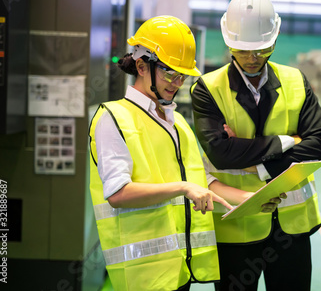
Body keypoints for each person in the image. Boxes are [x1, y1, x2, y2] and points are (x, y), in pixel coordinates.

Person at [190, 0, 321, 291]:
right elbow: (221, 154)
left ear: (275, 39)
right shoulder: (207, 88)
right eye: (243, 50)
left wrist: (261, 166)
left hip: (290, 230)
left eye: (261, 49)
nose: (252, 58)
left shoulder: (296, 80)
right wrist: (288, 140)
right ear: (229, 42)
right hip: (238, 228)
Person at [88, 15, 232, 291]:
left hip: (177, 268)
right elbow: (118, 194)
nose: (176, 83)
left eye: (182, 76)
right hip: (143, 274)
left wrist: (249, 199)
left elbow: (199, 181)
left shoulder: (175, 122)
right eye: (169, 73)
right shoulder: (114, 117)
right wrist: (183, 187)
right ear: (141, 66)